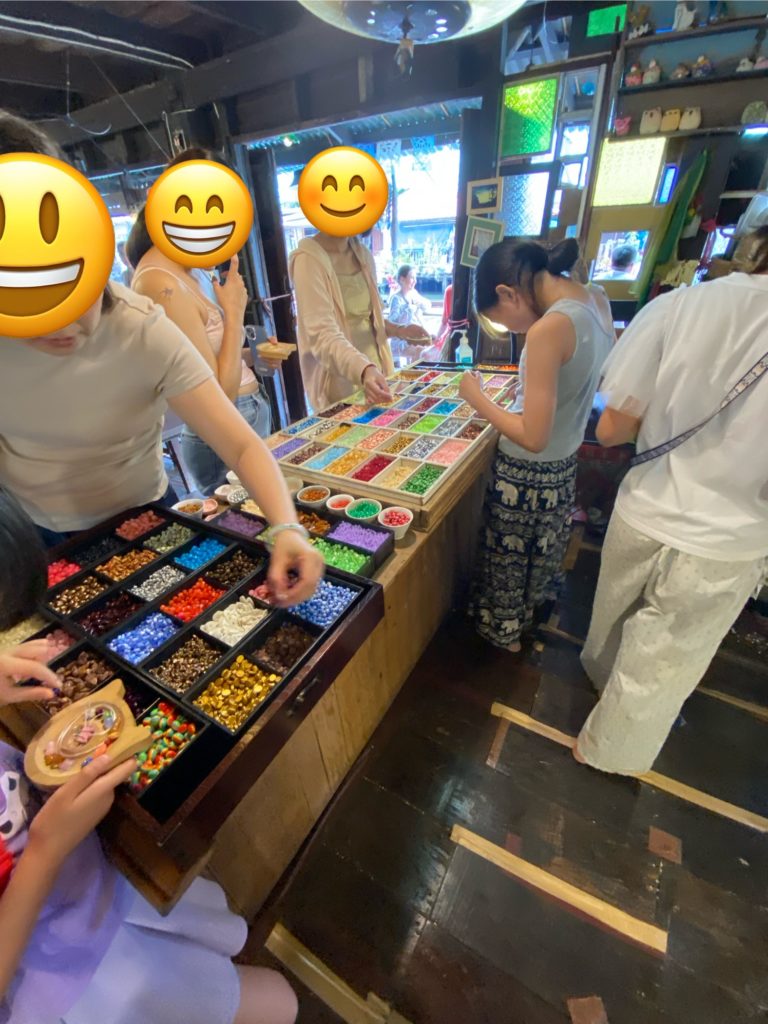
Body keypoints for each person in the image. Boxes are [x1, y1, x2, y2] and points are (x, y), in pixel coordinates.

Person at [0, 111, 322, 607]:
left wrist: (287, 527)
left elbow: (240, 444)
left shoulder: (142, 325)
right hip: (34, 537)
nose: (63, 323)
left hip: (147, 516)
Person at [0, 489, 298, 1024]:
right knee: (281, 1001)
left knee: (242, 975)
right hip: (73, 980)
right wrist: (45, 849)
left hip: (99, 885)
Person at [574, 231, 768, 776]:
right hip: (728, 540)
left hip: (644, 508)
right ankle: (604, 751)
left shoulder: (677, 306)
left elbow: (612, 429)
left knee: (611, 627)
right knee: (661, 664)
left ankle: (599, 690)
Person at [458, 238, 614, 652]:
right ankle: (525, 624)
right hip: (562, 469)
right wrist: (531, 389)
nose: (514, 331)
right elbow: (580, 381)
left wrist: (476, 398)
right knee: (537, 562)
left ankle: (502, 639)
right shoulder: (597, 299)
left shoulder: (549, 328)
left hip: (525, 475)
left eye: (505, 323)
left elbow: (532, 435)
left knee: (508, 566)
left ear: (507, 293)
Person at [127, 148, 275, 495]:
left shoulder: (189, 267)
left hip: (244, 416)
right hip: (223, 434)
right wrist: (235, 312)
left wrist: (254, 356)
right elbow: (218, 394)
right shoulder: (159, 282)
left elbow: (204, 360)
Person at [289, 232, 430, 412]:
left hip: (376, 373)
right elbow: (322, 336)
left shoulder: (363, 254)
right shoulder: (307, 260)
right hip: (339, 385)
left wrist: (399, 330)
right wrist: (364, 370)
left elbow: (369, 318)